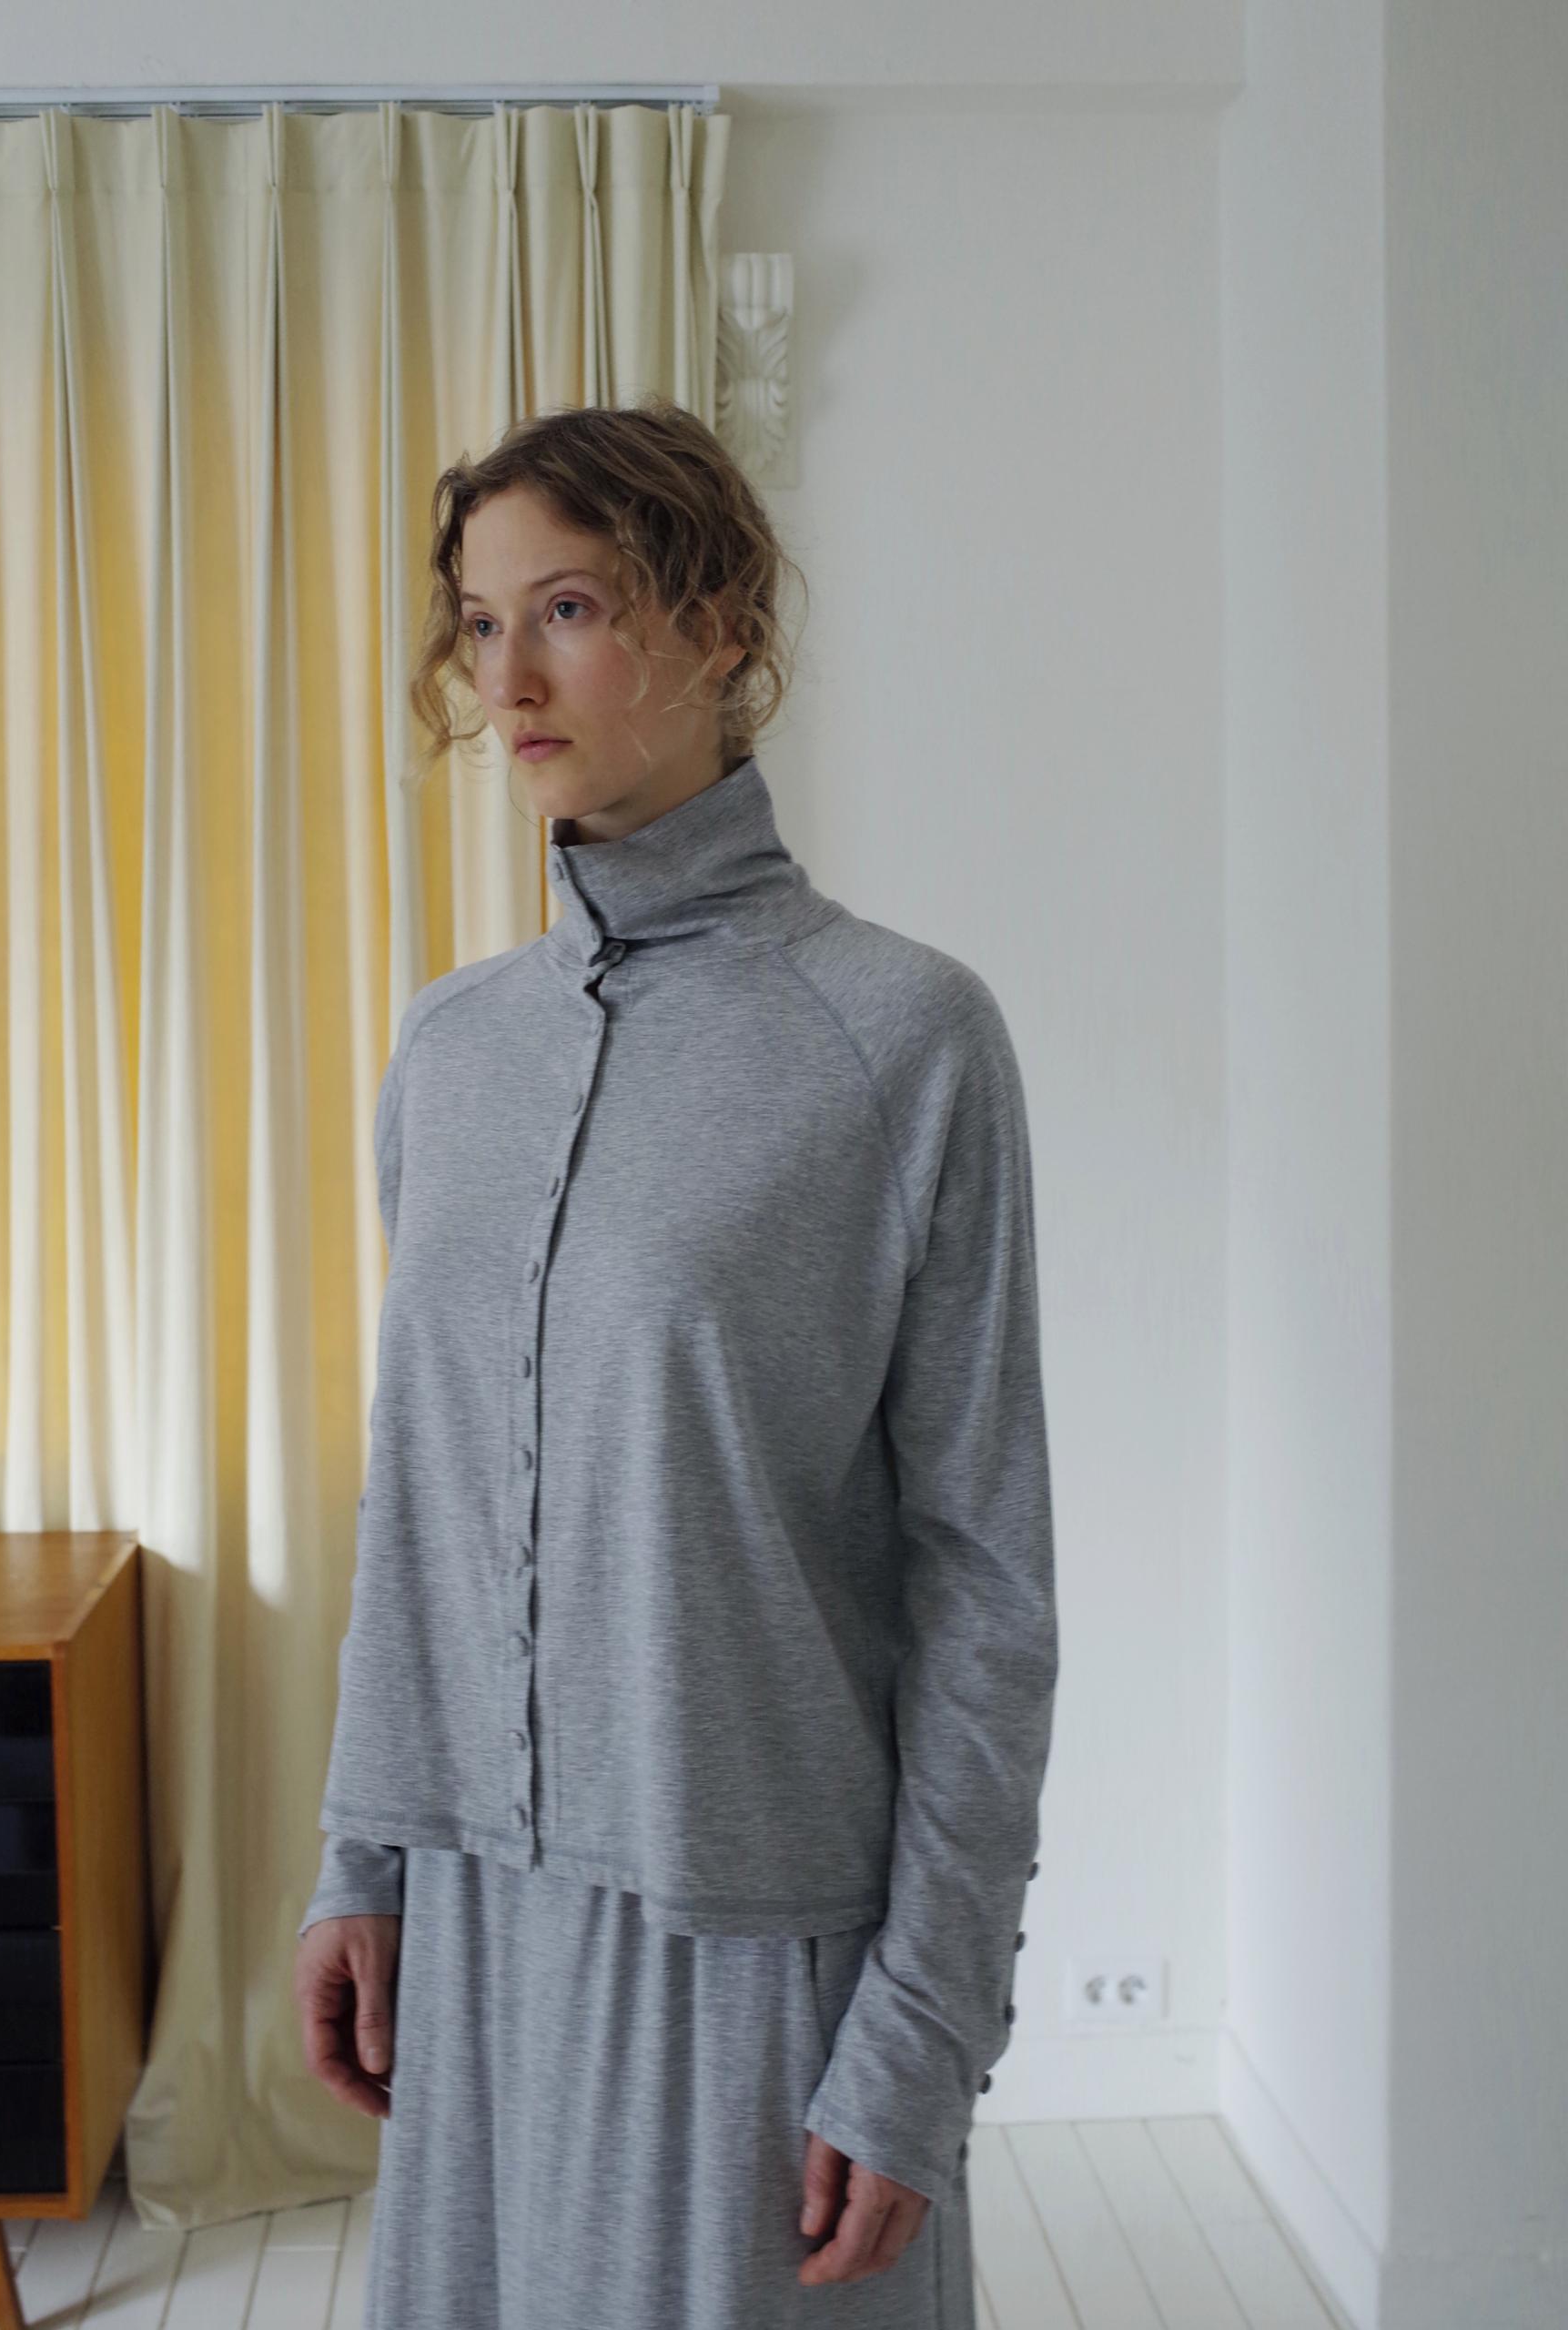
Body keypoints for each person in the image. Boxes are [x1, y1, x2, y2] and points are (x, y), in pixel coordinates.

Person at [292, 396, 1058, 2328]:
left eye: (568, 609)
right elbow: (424, 1497)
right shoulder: (451, 1051)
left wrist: (925, 2033)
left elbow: (986, 1586)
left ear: (720, 625)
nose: (508, 680)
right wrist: (360, 1857)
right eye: (482, 624)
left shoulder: (906, 1040)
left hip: (757, 1959)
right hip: (476, 1933)